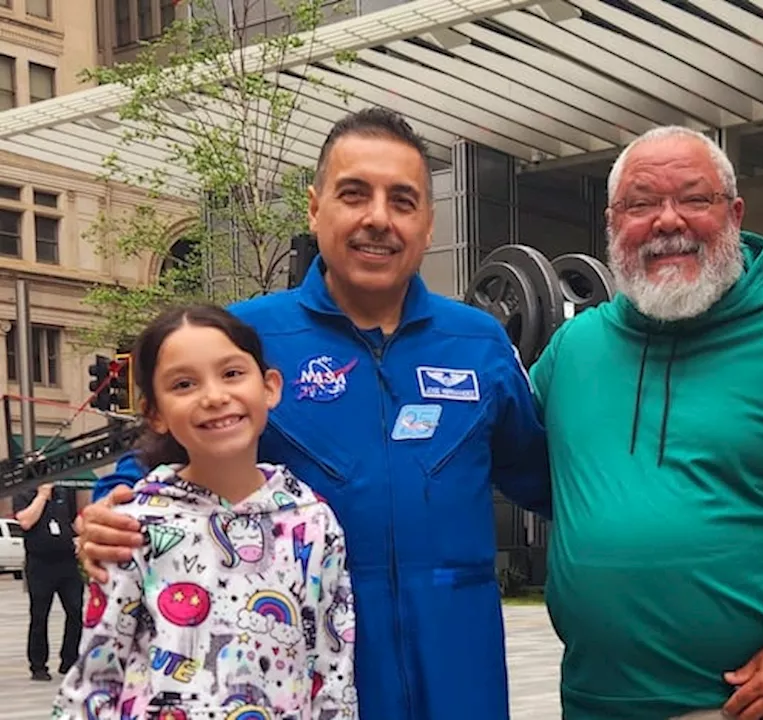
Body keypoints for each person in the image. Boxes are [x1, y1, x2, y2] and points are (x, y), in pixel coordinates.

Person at [75, 107, 551, 718]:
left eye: (402, 201)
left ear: (428, 225)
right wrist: (107, 508)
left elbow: (554, 483)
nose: (378, 219)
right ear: (315, 208)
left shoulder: (478, 344)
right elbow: (160, 458)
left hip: (461, 680)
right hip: (306, 680)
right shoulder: (248, 337)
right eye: (354, 194)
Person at [529, 125, 763, 720]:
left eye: (694, 198)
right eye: (642, 204)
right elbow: (500, 453)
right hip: (596, 702)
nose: (668, 221)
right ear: (613, 223)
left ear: (734, 213)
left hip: (754, 703)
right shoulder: (573, 350)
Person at [53, 304, 357, 719]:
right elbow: (96, 676)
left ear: (269, 386)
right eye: (183, 384)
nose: (214, 397)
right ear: (155, 413)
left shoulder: (312, 523)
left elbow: (331, 669)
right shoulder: (134, 526)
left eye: (232, 374)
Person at [13, 481, 82, 682]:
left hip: (67, 562)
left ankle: (69, 659)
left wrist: (82, 536)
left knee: (76, 611)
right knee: (40, 615)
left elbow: (73, 521)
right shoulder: (23, 494)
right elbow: (26, 522)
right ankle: (38, 665)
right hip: (40, 565)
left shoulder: (64, 492)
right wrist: (42, 496)